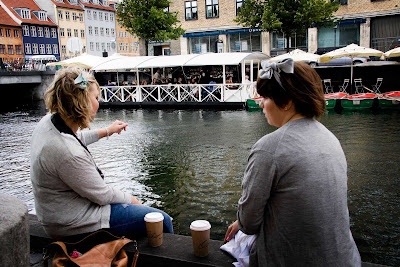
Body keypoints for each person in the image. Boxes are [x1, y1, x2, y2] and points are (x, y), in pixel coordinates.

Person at [224, 59, 361, 266]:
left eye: (266, 97)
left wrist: (241, 221)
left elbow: (249, 223)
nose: (261, 103)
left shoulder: (268, 148)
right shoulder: (330, 139)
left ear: (286, 102)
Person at [30, 67, 174, 240]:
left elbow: (76, 138)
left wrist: (108, 131)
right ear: (82, 101)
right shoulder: (68, 152)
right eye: (96, 98)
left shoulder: (49, 123)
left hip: (56, 214)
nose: (99, 103)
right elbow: (103, 194)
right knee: (161, 220)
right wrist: (134, 200)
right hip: (74, 224)